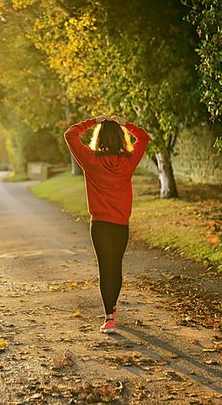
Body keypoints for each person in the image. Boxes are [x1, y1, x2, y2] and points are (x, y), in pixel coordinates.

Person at [64, 114, 150, 334]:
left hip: (100, 225)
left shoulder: (91, 160)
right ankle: (112, 308)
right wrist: (125, 124)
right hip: (121, 224)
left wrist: (93, 121)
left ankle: (109, 317)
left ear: (99, 138)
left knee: (105, 267)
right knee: (116, 266)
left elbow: (70, 135)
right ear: (121, 138)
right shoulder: (128, 161)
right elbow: (144, 138)